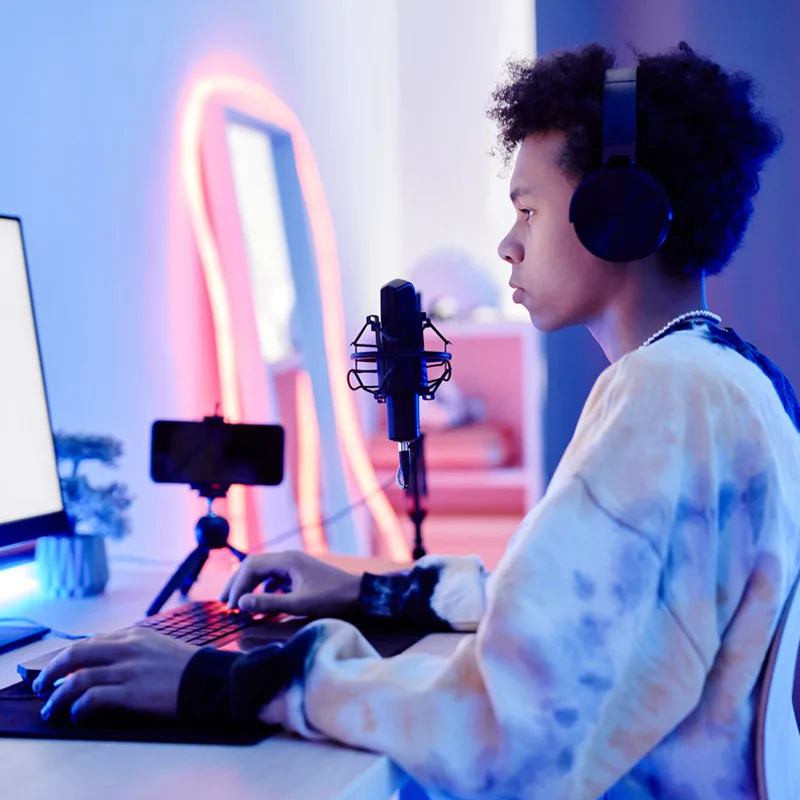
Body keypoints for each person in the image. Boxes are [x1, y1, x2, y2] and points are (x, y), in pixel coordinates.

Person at [34, 42, 798, 799]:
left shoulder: (663, 398)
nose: (508, 243)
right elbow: (584, 617)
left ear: (617, 212)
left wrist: (224, 677)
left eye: (528, 208)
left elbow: (496, 735)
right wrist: (369, 593)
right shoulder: (730, 379)